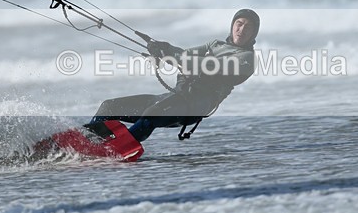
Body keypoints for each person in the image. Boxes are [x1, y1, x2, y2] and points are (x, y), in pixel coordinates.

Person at [86, 9, 260, 142]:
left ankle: (114, 151)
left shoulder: (247, 59)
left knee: (152, 114)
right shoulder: (215, 44)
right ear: (232, 25)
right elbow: (186, 54)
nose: (242, 29)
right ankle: (86, 141)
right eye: (239, 23)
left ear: (254, 33)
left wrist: (170, 55)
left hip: (195, 105)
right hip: (176, 96)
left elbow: (207, 65)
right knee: (109, 106)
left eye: (248, 27)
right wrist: (163, 48)